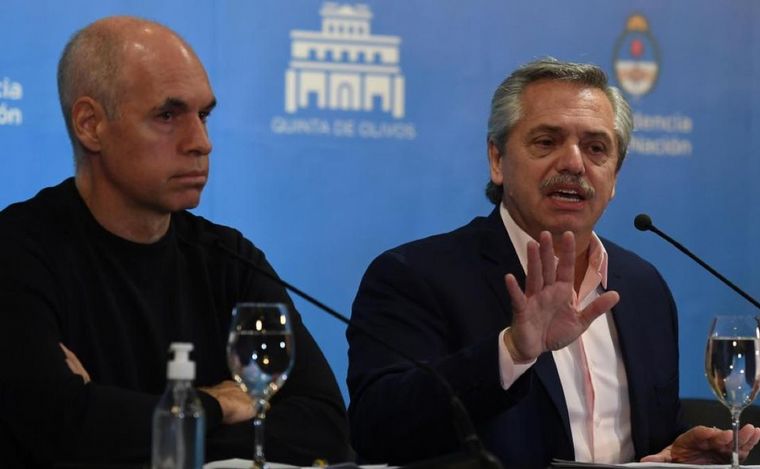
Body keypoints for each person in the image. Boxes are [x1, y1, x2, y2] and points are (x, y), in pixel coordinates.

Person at [346, 58, 760, 468]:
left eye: (596, 148)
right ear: (497, 160)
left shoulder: (642, 286)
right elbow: (377, 430)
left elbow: (643, 438)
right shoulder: (414, 275)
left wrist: (672, 455)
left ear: (615, 176)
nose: (574, 163)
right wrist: (511, 352)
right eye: (546, 142)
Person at [0, 16, 350, 467]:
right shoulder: (17, 252)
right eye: (167, 116)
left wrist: (121, 422)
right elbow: (59, 433)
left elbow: (324, 429)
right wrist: (219, 405)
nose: (201, 143)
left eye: (203, 116)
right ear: (90, 125)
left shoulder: (229, 259)